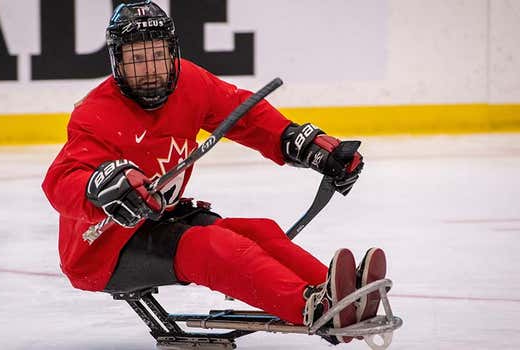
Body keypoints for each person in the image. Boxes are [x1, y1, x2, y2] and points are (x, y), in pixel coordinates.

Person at [42, 1, 386, 344]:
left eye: (158, 56)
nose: (151, 70)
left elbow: (244, 115)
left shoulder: (189, 83)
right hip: (104, 247)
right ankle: (311, 307)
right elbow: (60, 179)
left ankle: (342, 298)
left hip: (163, 217)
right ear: (117, 63)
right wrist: (100, 186)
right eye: (137, 60)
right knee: (208, 245)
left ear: (173, 53)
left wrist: (297, 141)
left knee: (258, 232)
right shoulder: (96, 114)